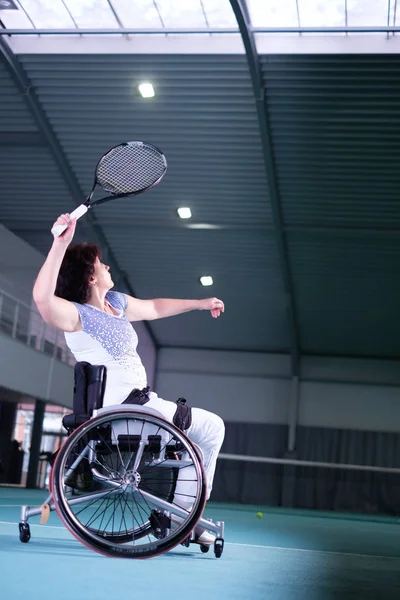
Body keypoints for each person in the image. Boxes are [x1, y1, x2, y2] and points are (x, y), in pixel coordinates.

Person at [33, 213, 226, 544]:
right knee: (213, 428)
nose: (107, 267)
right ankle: (184, 519)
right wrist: (60, 243)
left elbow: (153, 307)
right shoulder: (78, 315)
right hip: (121, 414)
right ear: (90, 277)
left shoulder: (116, 304)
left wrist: (198, 303)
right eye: (100, 264)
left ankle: (182, 515)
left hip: (144, 408)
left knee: (200, 438)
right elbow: (42, 301)